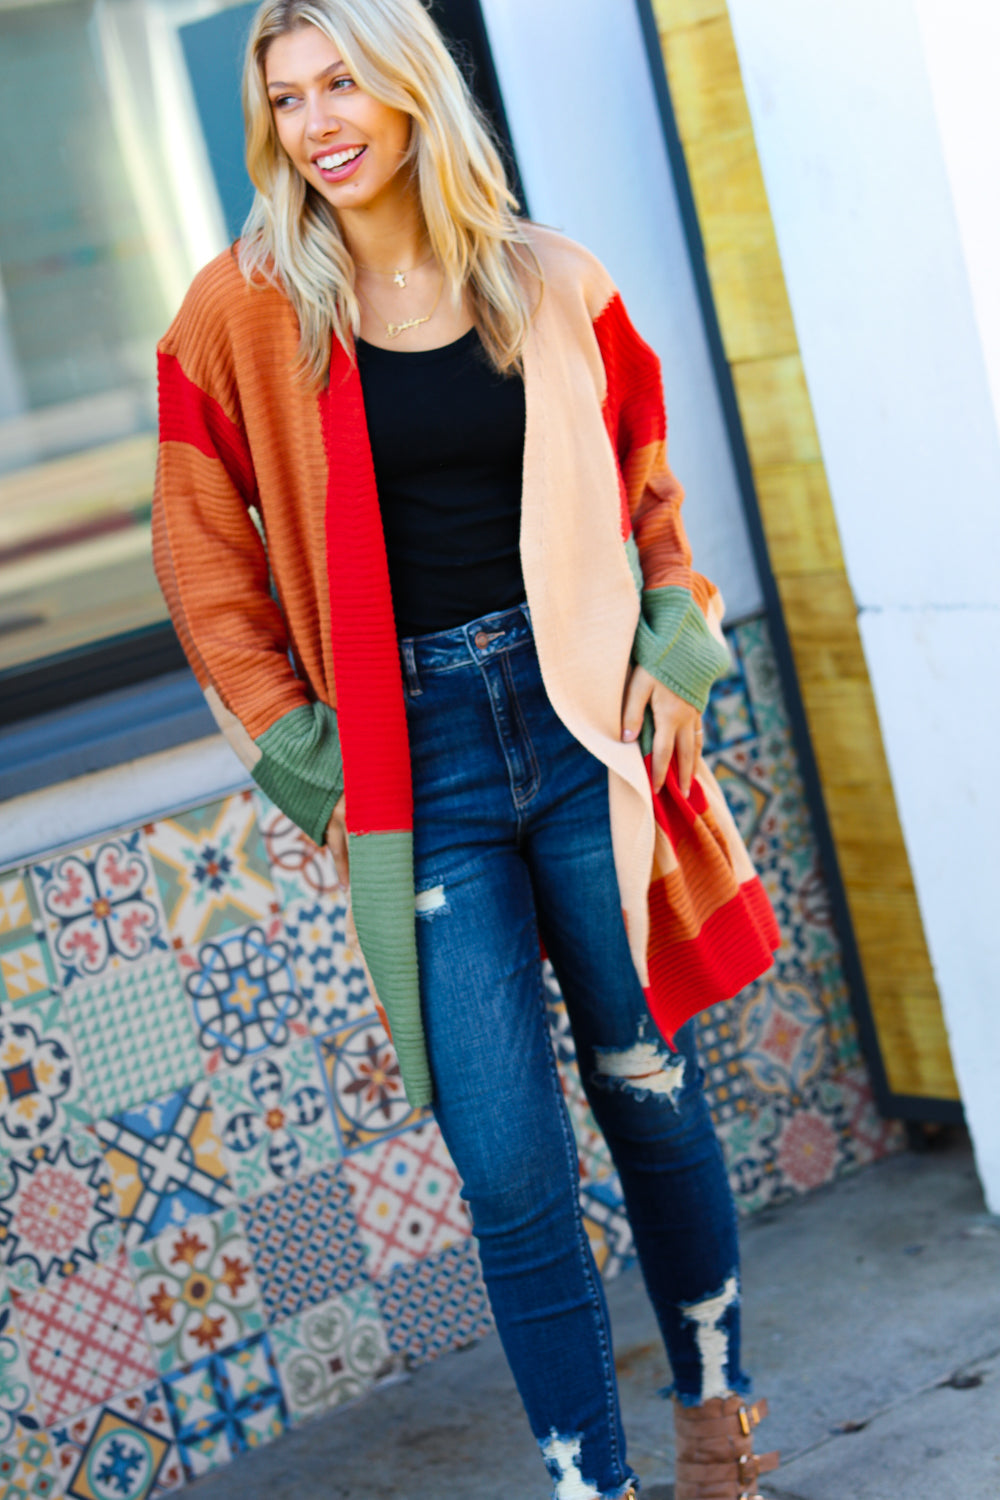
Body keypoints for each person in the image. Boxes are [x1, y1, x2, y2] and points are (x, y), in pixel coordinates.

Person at [152, 1, 782, 1494]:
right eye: (287, 98)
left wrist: (678, 653)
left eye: (341, 83)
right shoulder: (240, 311)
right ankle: (588, 1480)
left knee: (648, 1085)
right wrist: (316, 767)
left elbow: (650, 503)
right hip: (415, 760)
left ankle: (717, 1423)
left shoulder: (551, 280)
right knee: (507, 1166)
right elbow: (200, 562)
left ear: (410, 86)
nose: (317, 122)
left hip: (578, 731)